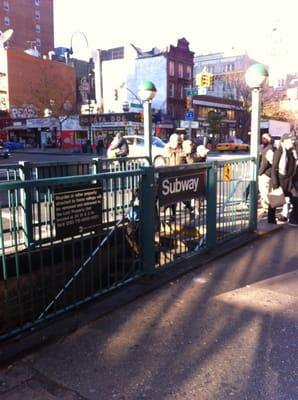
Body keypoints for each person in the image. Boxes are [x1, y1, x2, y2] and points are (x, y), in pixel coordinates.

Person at [271, 132, 297, 222]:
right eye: (290, 140)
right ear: (285, 141)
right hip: (280, 180)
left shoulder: (292, 151)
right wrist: (275, 184)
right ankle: (271, 220)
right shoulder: (279, 151)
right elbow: (274, 168)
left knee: (294, 198)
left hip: (289, 181)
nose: (292, 142)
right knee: (275, 200)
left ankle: (290, 217)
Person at [258, 133, 276, 223]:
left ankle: (268, 209)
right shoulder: (265, 148)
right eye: (262, 137)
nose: (263, 139)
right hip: (265, 174)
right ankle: (267, 209)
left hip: (265, 175)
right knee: (265, 192)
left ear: (269, 139)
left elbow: (269, 163)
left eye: (265, 138)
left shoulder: (269, 149)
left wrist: (260, 172)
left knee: (265, 193)